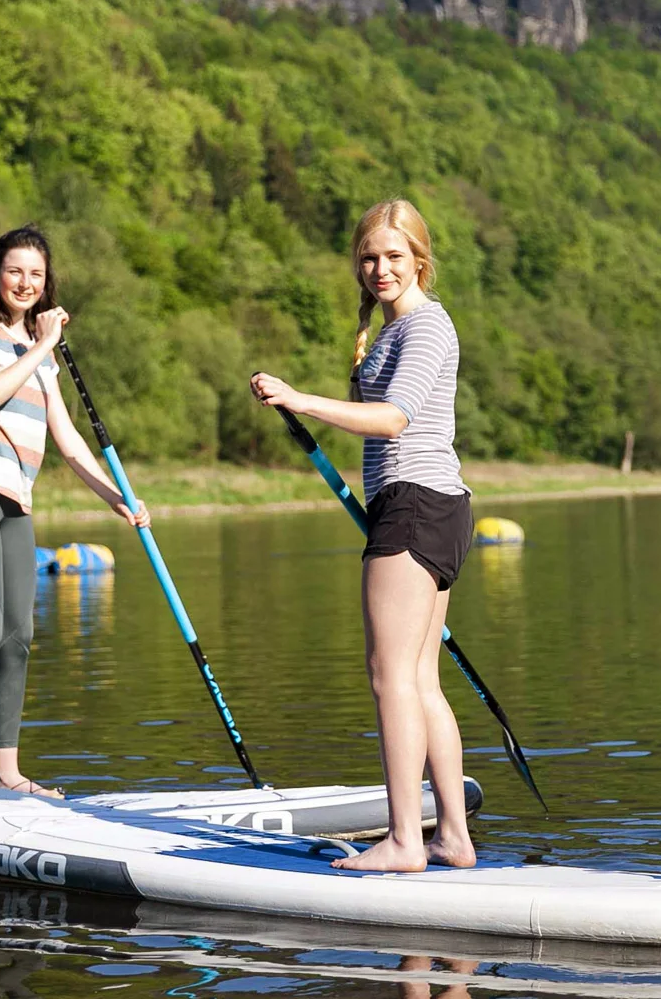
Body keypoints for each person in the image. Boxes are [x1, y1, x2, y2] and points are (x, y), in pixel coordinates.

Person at [249, 199, 475, 872]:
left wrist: (300, 399)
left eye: (394, 257)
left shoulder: (424, 327)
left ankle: (405, 841)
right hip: (432, 506)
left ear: (420, 261)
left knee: (390, 677)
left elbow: (394, 418)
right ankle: (452, 837)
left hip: (414, 504)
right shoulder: (395, 330)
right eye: (370, 258)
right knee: (421, 679)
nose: (381, 269)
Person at [0, 224, 149, 797]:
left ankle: (6, 773)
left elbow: (70, 443)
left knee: (18, 634)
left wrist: (117, 497)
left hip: (16, 501)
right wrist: (43, 344)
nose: (25, 282)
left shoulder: (43, 359)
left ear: (47, 282)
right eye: (15, 271)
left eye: (36, 273)